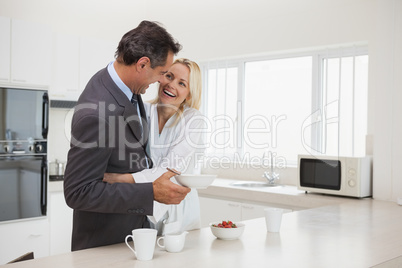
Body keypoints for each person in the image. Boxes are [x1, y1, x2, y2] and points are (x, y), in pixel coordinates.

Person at [63, 21, 191, 251]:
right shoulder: (97, 112)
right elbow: (77, 192)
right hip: (104, 245)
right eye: (162, 73)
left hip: (132, 237)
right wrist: (149, 192)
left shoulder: (123, 85)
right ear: (143, 64)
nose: (162, 81)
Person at [103, 58, 205, 235]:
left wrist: (121, 179)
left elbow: (170, 168)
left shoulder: (193, 120)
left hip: (179, 207)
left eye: (181, 83)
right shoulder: (142, 110)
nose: (171, 85)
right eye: (169, 76)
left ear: (189, 94)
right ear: (160, 77)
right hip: (145, 201)